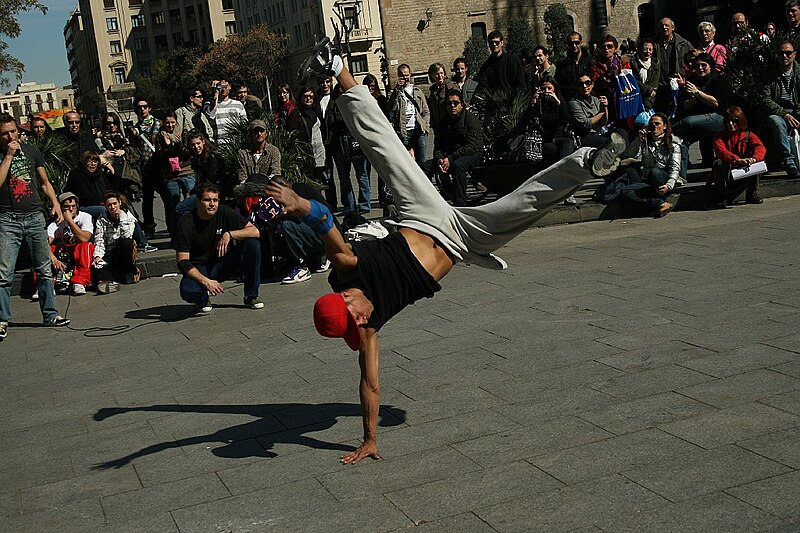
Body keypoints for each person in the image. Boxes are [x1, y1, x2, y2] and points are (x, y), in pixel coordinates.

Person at [290, 38, 626, 463]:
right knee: (520, 208)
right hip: (462, 240)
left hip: (419, 214)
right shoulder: (367, 328)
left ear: (343, 298)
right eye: (354, 327)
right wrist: (370, 438)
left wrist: (298, 204)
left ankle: (337, 67)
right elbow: (369, 384)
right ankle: (589, 160)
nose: (360, 322)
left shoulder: (346, 269)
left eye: (351, 317)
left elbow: (324, 223)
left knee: (387, 151)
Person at [0, 113, 70, 338]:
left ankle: (50, 313)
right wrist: (9, 156)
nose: (10, 136)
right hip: (7, 219)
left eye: (13, 131)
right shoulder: (3, 154)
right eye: (5, 133)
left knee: (43, 268)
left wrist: (55, 203)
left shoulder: (32, 151)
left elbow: (44, 181)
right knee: (4, 273)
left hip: (33, 216)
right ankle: (2, 319)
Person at [174, 183, 263, 313]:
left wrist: (230, 234)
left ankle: (251, 295)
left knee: (252, 244)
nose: (212, 204)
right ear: (198, 202)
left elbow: (255, 231)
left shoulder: (224, 212)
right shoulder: (186, 223)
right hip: (200, 268)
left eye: (215, 200)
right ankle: (202, 299)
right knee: (188, 291)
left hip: (223, 263)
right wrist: (206, 282)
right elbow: (182, 262)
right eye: (207, 200)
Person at [421, 88, 483, 207]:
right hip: (449, 156)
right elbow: (438, 145)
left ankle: (460, 204)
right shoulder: (444, 122)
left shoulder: (470, 120)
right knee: (425, 167)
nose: (452, 106)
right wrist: (440, 159)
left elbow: (473, 146)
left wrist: (450, 158)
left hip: (471, 155)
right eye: (449, 103)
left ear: (462, 104)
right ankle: (427, 202)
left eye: (455, 103)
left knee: (458, 166)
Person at [672, 52, 730, 169]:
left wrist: (698, 93)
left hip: (718, 117)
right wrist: (692, 98)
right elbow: (687, 106)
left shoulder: (719, 79)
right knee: (682, 141)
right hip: (700, 117)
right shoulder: (693, 79)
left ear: (710, 66)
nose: (700, 68)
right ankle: (680, 173)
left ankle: (668, 134)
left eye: (704, 65)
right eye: (697, 65)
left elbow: (716, 102)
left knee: (687, 122)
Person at [710, 107, 766, 206]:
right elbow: (721, 151)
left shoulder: (749, 135)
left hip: (744, 170)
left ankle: (752, 193)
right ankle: (723, 196)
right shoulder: (719, 136)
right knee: (718, 163)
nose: (731, 124)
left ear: (740, 121)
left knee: (759, 161)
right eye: (728, 121)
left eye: (734, 121)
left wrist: (753, 159)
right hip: (729, 172)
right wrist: (737, 160)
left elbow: (760, 148)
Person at [763, 41, 800, 179]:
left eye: (788, 53)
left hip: (796, 112)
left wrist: (796, 116)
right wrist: (784, 114)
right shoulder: (769, 74)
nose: (784, 56)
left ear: (794, 55)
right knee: (776, 122)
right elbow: (765, 99)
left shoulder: (799, 73)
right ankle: (789, 162)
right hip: (779, 113)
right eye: (781, 53)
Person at [47, 192, 94, 296]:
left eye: (73, 206)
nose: (71, 209)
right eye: (67, 207)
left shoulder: (85, 217)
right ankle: (46, 284)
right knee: (46, 249)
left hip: (79, 250)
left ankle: (80, 281)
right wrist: (53, 259)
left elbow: (84, 238)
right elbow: (45, 244)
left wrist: (69, 220)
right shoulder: (55, 224)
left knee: (86, 246)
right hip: (65, 252)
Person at [157, 112, 196, 239]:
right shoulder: (160, 136)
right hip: (171, 175)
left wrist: (178, 144)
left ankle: (192, 231)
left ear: (176, 122)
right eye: (167, 122)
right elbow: (161, 157)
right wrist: (167, 146)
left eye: (172, 122)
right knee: (173, 205)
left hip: (186, 172)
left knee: (191, 201)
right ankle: (175, 234)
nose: (170, 125)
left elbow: (186, 155)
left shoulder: (183, 133)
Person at [92, 191, 139, 293]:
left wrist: (122, 217)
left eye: (114, 204)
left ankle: (128, 272)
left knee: (127, 243)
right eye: (109, 205)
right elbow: (99, 239)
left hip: (122, 249)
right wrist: (98, 256)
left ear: (119, 203)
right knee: (101, 268)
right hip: (109, 251)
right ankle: (106, 283)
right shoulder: (102, 219)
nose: (112, 207)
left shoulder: (128, 217)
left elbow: (127, 236)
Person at [128, 97, 161, 238]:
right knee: (147, 201)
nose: (142, 110)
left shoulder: (159, 124)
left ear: (149, 108)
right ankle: (149, 228)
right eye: (139, 108)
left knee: (168, 198)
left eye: (145, 106)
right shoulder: (134, 129)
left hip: (161, 167)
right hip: (145, 169)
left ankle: (173, 227)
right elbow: (133, 150)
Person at [387, 64, 430, 166]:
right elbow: (390, 107)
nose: (405, 78)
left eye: (406, 75)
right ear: (398, 76)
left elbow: (425, 111)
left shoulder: (417, 91)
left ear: (410, 74)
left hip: (418, 130)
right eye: (402, 75)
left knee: (422, 162)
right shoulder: (394, 92)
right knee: (407, 164)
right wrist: (397, 90)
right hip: (403, 132)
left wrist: (426, 126)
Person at [588, 35, 630, 127]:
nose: (606, 49)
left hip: (622, 100)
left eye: (610, 47)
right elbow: (596, 84)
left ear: (615, 48)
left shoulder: (622, 62)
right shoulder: (595, 64)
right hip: (605, 101)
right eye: (603, 47)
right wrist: (608, 74)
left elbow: (628, 81)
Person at [654, 18, 694, 113]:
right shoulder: (653, 44)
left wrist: (686, 77)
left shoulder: (684, 44)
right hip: (660, 86)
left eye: (667, 25)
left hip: (677, 86)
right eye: (661, 26)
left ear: (673, 27)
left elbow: (694, 61)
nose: (664, 27)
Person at [65, 150, 118, 220]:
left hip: (102, 203)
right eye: (90, 161)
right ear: (84, 162)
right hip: (84, 206)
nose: (93, 164)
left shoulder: (99, 173)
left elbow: (111, 189)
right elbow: (85, 197)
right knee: (104, 210)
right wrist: (105, 203)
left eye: (95, 161)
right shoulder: (77, 174)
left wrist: (112, 171)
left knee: (125, 207)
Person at [476, 30, 526, 95]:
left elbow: (520, 83)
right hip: (494, 102)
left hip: (511, 100)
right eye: (491, 43)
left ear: (502, 43)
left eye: (496, 42)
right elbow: (482, 86)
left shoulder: (512, 60)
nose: (494, 45)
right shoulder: (486, 66)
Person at [236, 119, 281, 185]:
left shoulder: (274, 151)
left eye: (262, 131)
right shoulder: (243, 153)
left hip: (268, 188)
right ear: (251, 133)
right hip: (248, 188)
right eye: (256, 131)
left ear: (266, 133)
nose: (259, 134)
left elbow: (276, 173)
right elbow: (242, 177)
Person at [204, 80, 247, 144]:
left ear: (229, 86)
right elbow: (210, 116)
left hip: (235, 144)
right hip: (218, 144)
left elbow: (244, 124)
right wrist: (214, 97)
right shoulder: (209, 104)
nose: (223, 89)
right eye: (220, 87)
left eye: (225, 86)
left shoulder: (238, 104)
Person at [556, 32, 592, 102]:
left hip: (588, 101)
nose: (574, 45)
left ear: (581, 42)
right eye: (571, 43)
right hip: (570, 101)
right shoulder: (562, 65)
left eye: (576, 43)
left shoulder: (590, 62)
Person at [632, 38, 660, 110]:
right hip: (634, 98)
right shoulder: (632, 63)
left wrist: (647, 105)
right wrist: (648, 89)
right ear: (640, 49)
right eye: (645, 49)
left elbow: (654, 85)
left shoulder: (655, 65)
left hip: (649, 101)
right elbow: (633, 81)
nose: (648, 52)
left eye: (650, 49)